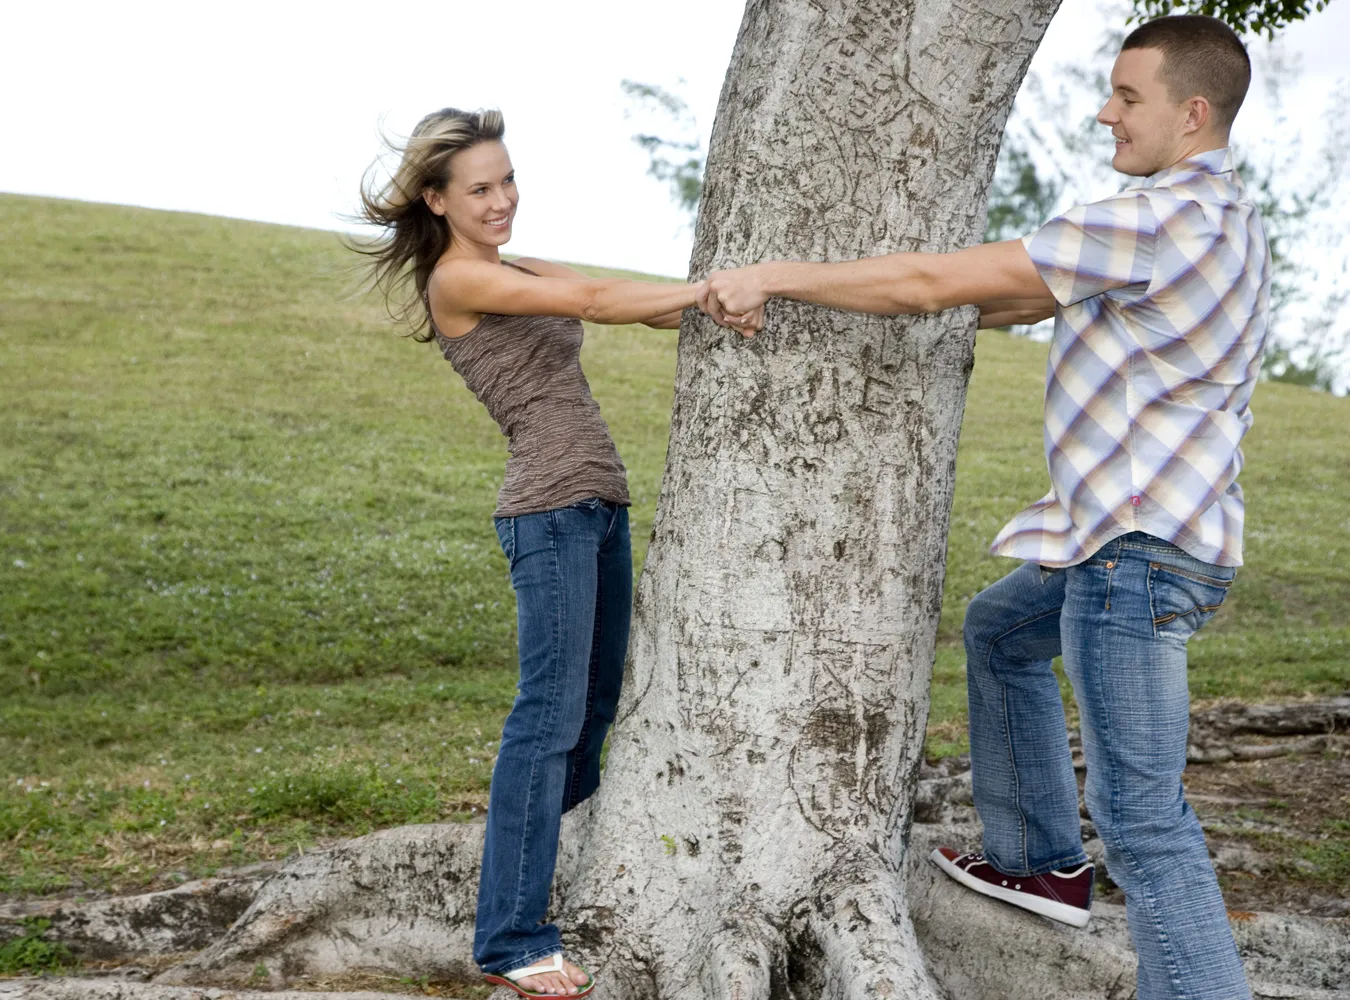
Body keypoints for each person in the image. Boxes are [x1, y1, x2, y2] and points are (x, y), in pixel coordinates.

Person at [698, 16, 1267, 1000]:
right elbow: (1011, 299)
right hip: (1168, 542)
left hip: (1133, 557)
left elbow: (934, 281)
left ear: (1194, 111)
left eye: (1128, 97)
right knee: (1002, 628)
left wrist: (774, 277)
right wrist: (850, 299)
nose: (1107, 113)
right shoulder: (1229, 223)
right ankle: (1041, 857)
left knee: (1144, 820)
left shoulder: (1155, 219)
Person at [354, 107, 733, 999]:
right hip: (549, 512)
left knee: (595, 713)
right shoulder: (458, 282)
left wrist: (714, 302)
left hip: (598, 510)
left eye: (508, 179)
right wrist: (711, 284)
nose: (502, 199)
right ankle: (512, 937)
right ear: (438, 201)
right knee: (547, 722)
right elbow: (598, 303)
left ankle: (551, 878)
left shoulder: (514, 266)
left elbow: (622, 303)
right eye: (480, 188)